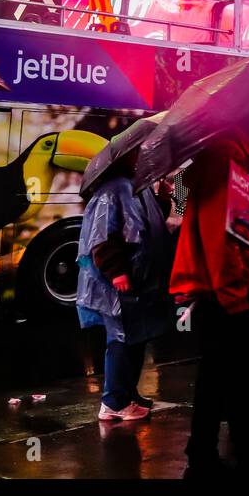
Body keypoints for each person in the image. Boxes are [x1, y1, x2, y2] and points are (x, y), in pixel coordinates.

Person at [170, 120, 249, 478]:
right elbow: (220, 241)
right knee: (240, 383)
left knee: (215, 380)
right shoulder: (225, 160)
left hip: (220, 291)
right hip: (223, 293)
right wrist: (235, 296)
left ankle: (202, 455)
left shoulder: (232, 156)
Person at [77, 148, 174, 421]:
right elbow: (103, 238)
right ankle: (114, 402)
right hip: (119, 284)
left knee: (135, 337)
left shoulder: (134, 187)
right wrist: (116, 271)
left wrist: (163, 198)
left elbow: (147, 222)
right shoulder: (113, 190)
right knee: (121, 339)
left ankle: (127, 393)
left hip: (138, 281)